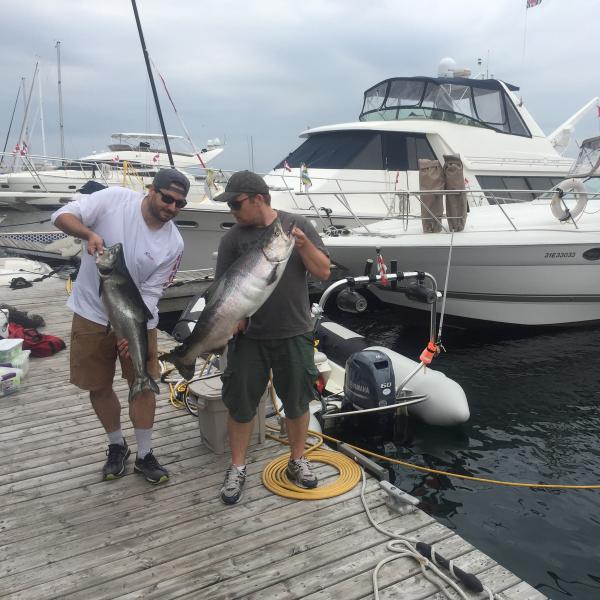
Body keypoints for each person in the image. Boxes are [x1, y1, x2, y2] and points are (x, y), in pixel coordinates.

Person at [51, 169, 187, 484]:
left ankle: (145, 454)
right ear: (152, 190)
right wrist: (88, 234)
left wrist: (131, 331)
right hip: (90, 313)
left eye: (179, 204)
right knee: (98, 385)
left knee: (143, 383)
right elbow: (62, 215)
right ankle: (116, 445)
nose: (171, 207)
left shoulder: (174, 244)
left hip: (137, 319)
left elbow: (153, 293)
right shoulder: (114, 200)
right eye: (167, 198)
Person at [213, 170, 331, 505]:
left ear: (259, 198)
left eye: (236, 204)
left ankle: (298, 460)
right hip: (249, 339)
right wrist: (230, 323)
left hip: (294, 332)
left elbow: (323, 272)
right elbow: (222, 291)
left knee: (296, 403)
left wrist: (305, 246)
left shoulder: (297, 226)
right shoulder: (232, 239)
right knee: (240, 405)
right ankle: (237, 467)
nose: (232, 212)